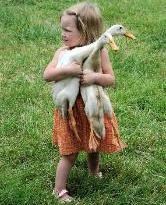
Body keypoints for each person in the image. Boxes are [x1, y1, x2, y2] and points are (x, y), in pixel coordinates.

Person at [43, 2, 126, 203]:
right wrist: (66, 71)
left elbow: (111, 79)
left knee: (94, 145)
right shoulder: (62, 52)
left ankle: (93, 172)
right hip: (70, 112)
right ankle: (59, 189)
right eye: (62, 29)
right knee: (69, 152)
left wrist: (94, 78)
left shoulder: (100, 52)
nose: (63, 34)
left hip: (92, 111)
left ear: (85, 30)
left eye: (68, 30)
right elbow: (47, 75)